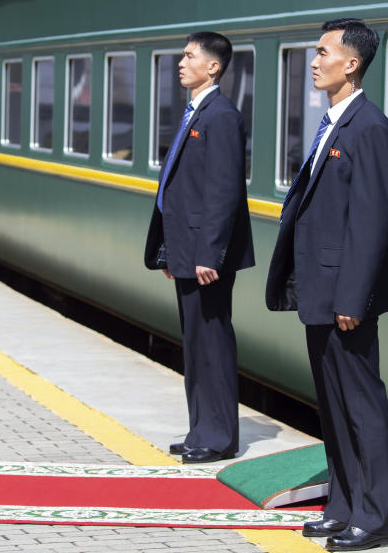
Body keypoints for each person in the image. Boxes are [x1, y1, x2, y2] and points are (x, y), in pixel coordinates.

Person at [265, 18, 388, 551]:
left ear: (353, 64)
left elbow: (371, 222)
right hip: (320, 292)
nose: (314, 61)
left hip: (346, 297)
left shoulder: (368, 127)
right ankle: (343, 505)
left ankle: (377, 517)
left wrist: (352, 298)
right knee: (333, 405)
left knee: (362, 406)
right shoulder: (332, 125)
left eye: (324, 52)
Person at [144, 31, 254, 464]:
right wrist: (172, 250)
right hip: (187, 248)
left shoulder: (221, 116)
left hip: (207, 254)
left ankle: (219, 436)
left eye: (190, 56)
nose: (180, 62)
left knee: (213, 342)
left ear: (213, 67)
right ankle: (199, 430)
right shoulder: (195, 111)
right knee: (194, 343)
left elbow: (223, 192)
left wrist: (210, 253)